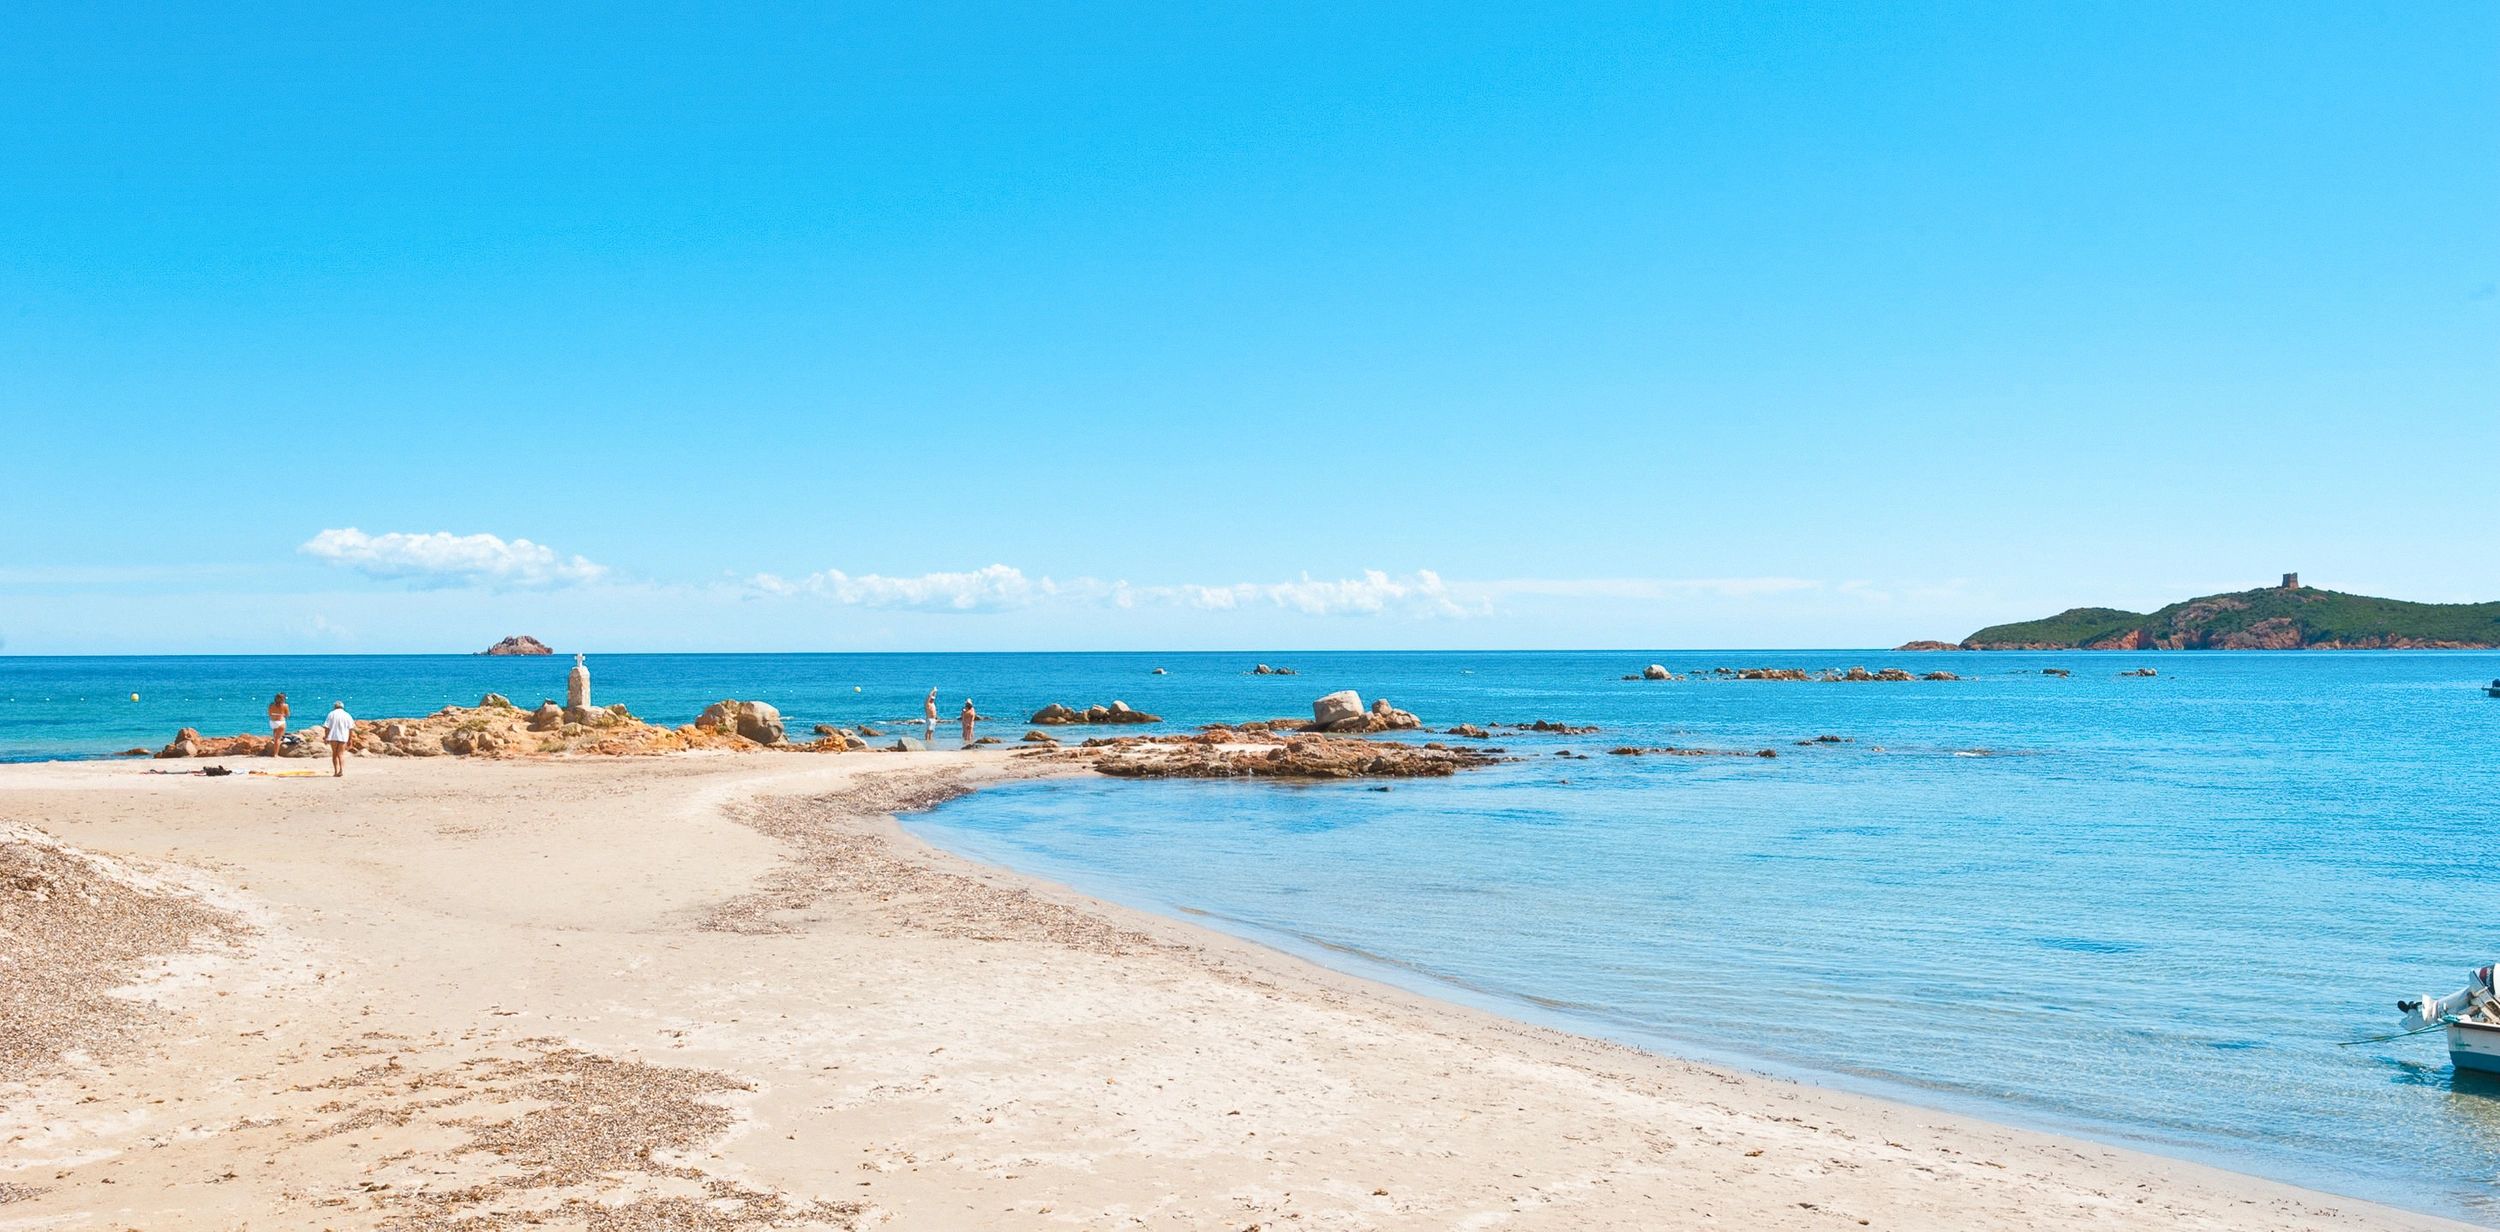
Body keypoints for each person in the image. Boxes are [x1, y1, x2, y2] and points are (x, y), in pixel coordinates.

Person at [322, 700, 355, 777]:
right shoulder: (347, 715)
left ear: (334, 707)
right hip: (343, 736)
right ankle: (341, 770)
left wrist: (326, 737)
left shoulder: (331, 714)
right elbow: (351, 729)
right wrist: (350, 739)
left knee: (335, 754)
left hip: (333, 736)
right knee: (341, 754)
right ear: (343, 707)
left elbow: (327, 727)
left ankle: (336, 771)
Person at [266, 693, 290, 757]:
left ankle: (274, 752)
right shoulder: (285, 705)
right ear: (283, 699)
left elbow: (269, 714)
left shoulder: (271, 705)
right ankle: (276, 754)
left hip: (272, 722)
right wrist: (282, 714)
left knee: (275, 738)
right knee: (278, 739)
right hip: (280, 722)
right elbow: (288, 715)